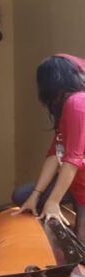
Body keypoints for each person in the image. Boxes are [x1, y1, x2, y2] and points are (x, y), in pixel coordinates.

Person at [13, 54, 85, 241]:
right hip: (75, 181)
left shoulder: (77, 103)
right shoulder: (66, 105)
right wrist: (35, 196)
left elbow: (72, 159)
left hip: (80, 182)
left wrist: (53, 201)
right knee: (23, 195)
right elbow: (55, 152)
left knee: (82, 241)